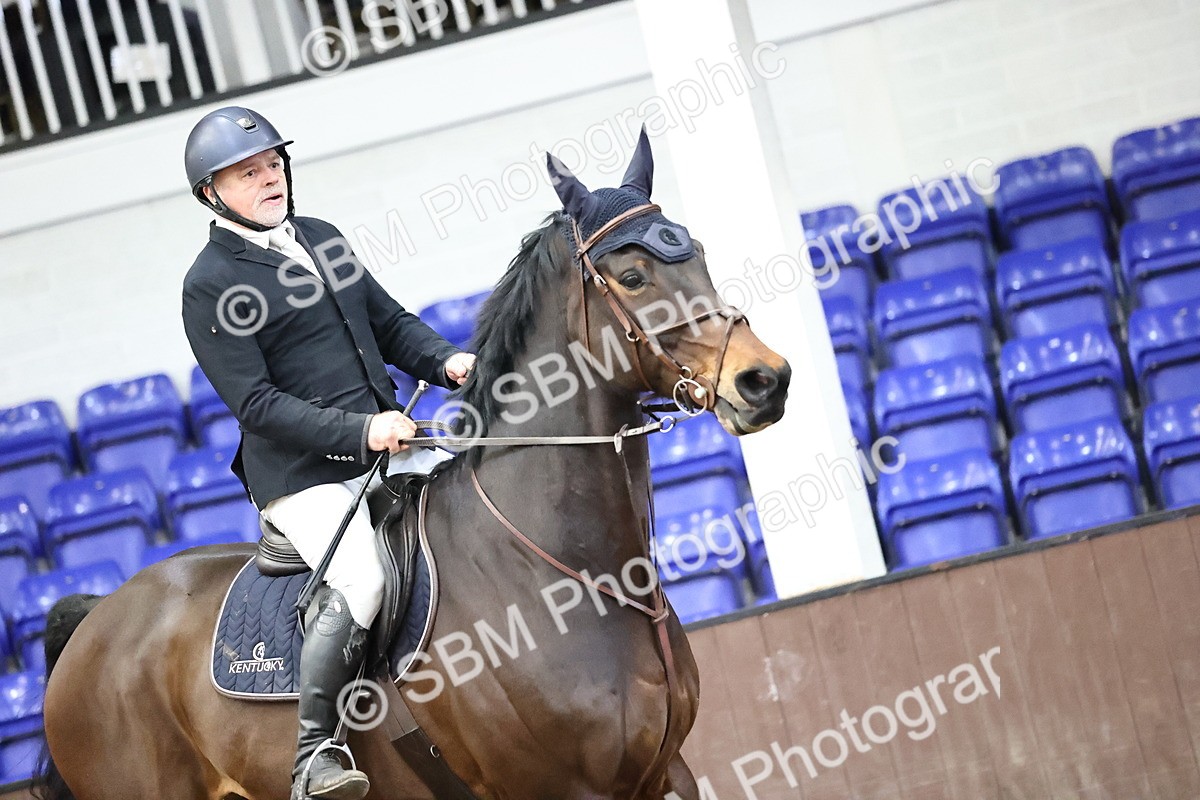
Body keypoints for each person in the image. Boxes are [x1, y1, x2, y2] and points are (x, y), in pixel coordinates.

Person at [180, 106, 475, 800]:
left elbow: (391, 323)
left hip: (383, 446)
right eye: (248, 172)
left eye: (273, 164)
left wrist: (448, 360)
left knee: (468, 516)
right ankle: (316, 753)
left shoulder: (321, 236)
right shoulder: (210, 282)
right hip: (301, 473)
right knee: (363, 579)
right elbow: (253, 405)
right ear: (210, 193)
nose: (269, 178)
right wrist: (360, 432)